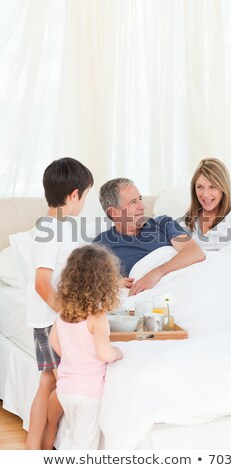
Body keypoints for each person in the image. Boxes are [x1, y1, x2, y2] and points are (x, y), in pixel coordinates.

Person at [26, 157, 94, 449]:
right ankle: (46, 440)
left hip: (53, 317)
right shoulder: (48, 230)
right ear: (74, 194)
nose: (83, 204)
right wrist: (71, 315)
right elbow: (42, 283)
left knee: (47, 383)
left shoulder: (59, 227)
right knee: (62, 383)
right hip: (49, 319)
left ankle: (36, 446)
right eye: (85, 196)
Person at [49, 244, 123, 450]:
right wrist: (118, 353)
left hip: (65, 388)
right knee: (84, 447)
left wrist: (74, 357)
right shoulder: (97, 317)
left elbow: (53, 341)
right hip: (88, 393)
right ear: (104, 280)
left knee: (72, 438)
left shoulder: (64, 312)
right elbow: (105, 353)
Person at [94, 178, 205, 295]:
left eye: (140, 199)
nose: (142, 206)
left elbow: (195, 253)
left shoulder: (163, 223)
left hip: (191, 281)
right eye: (133, 202)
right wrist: (110, 283)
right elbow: (82, 281)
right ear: (114, 212)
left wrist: (156, 273)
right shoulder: (101, 245)